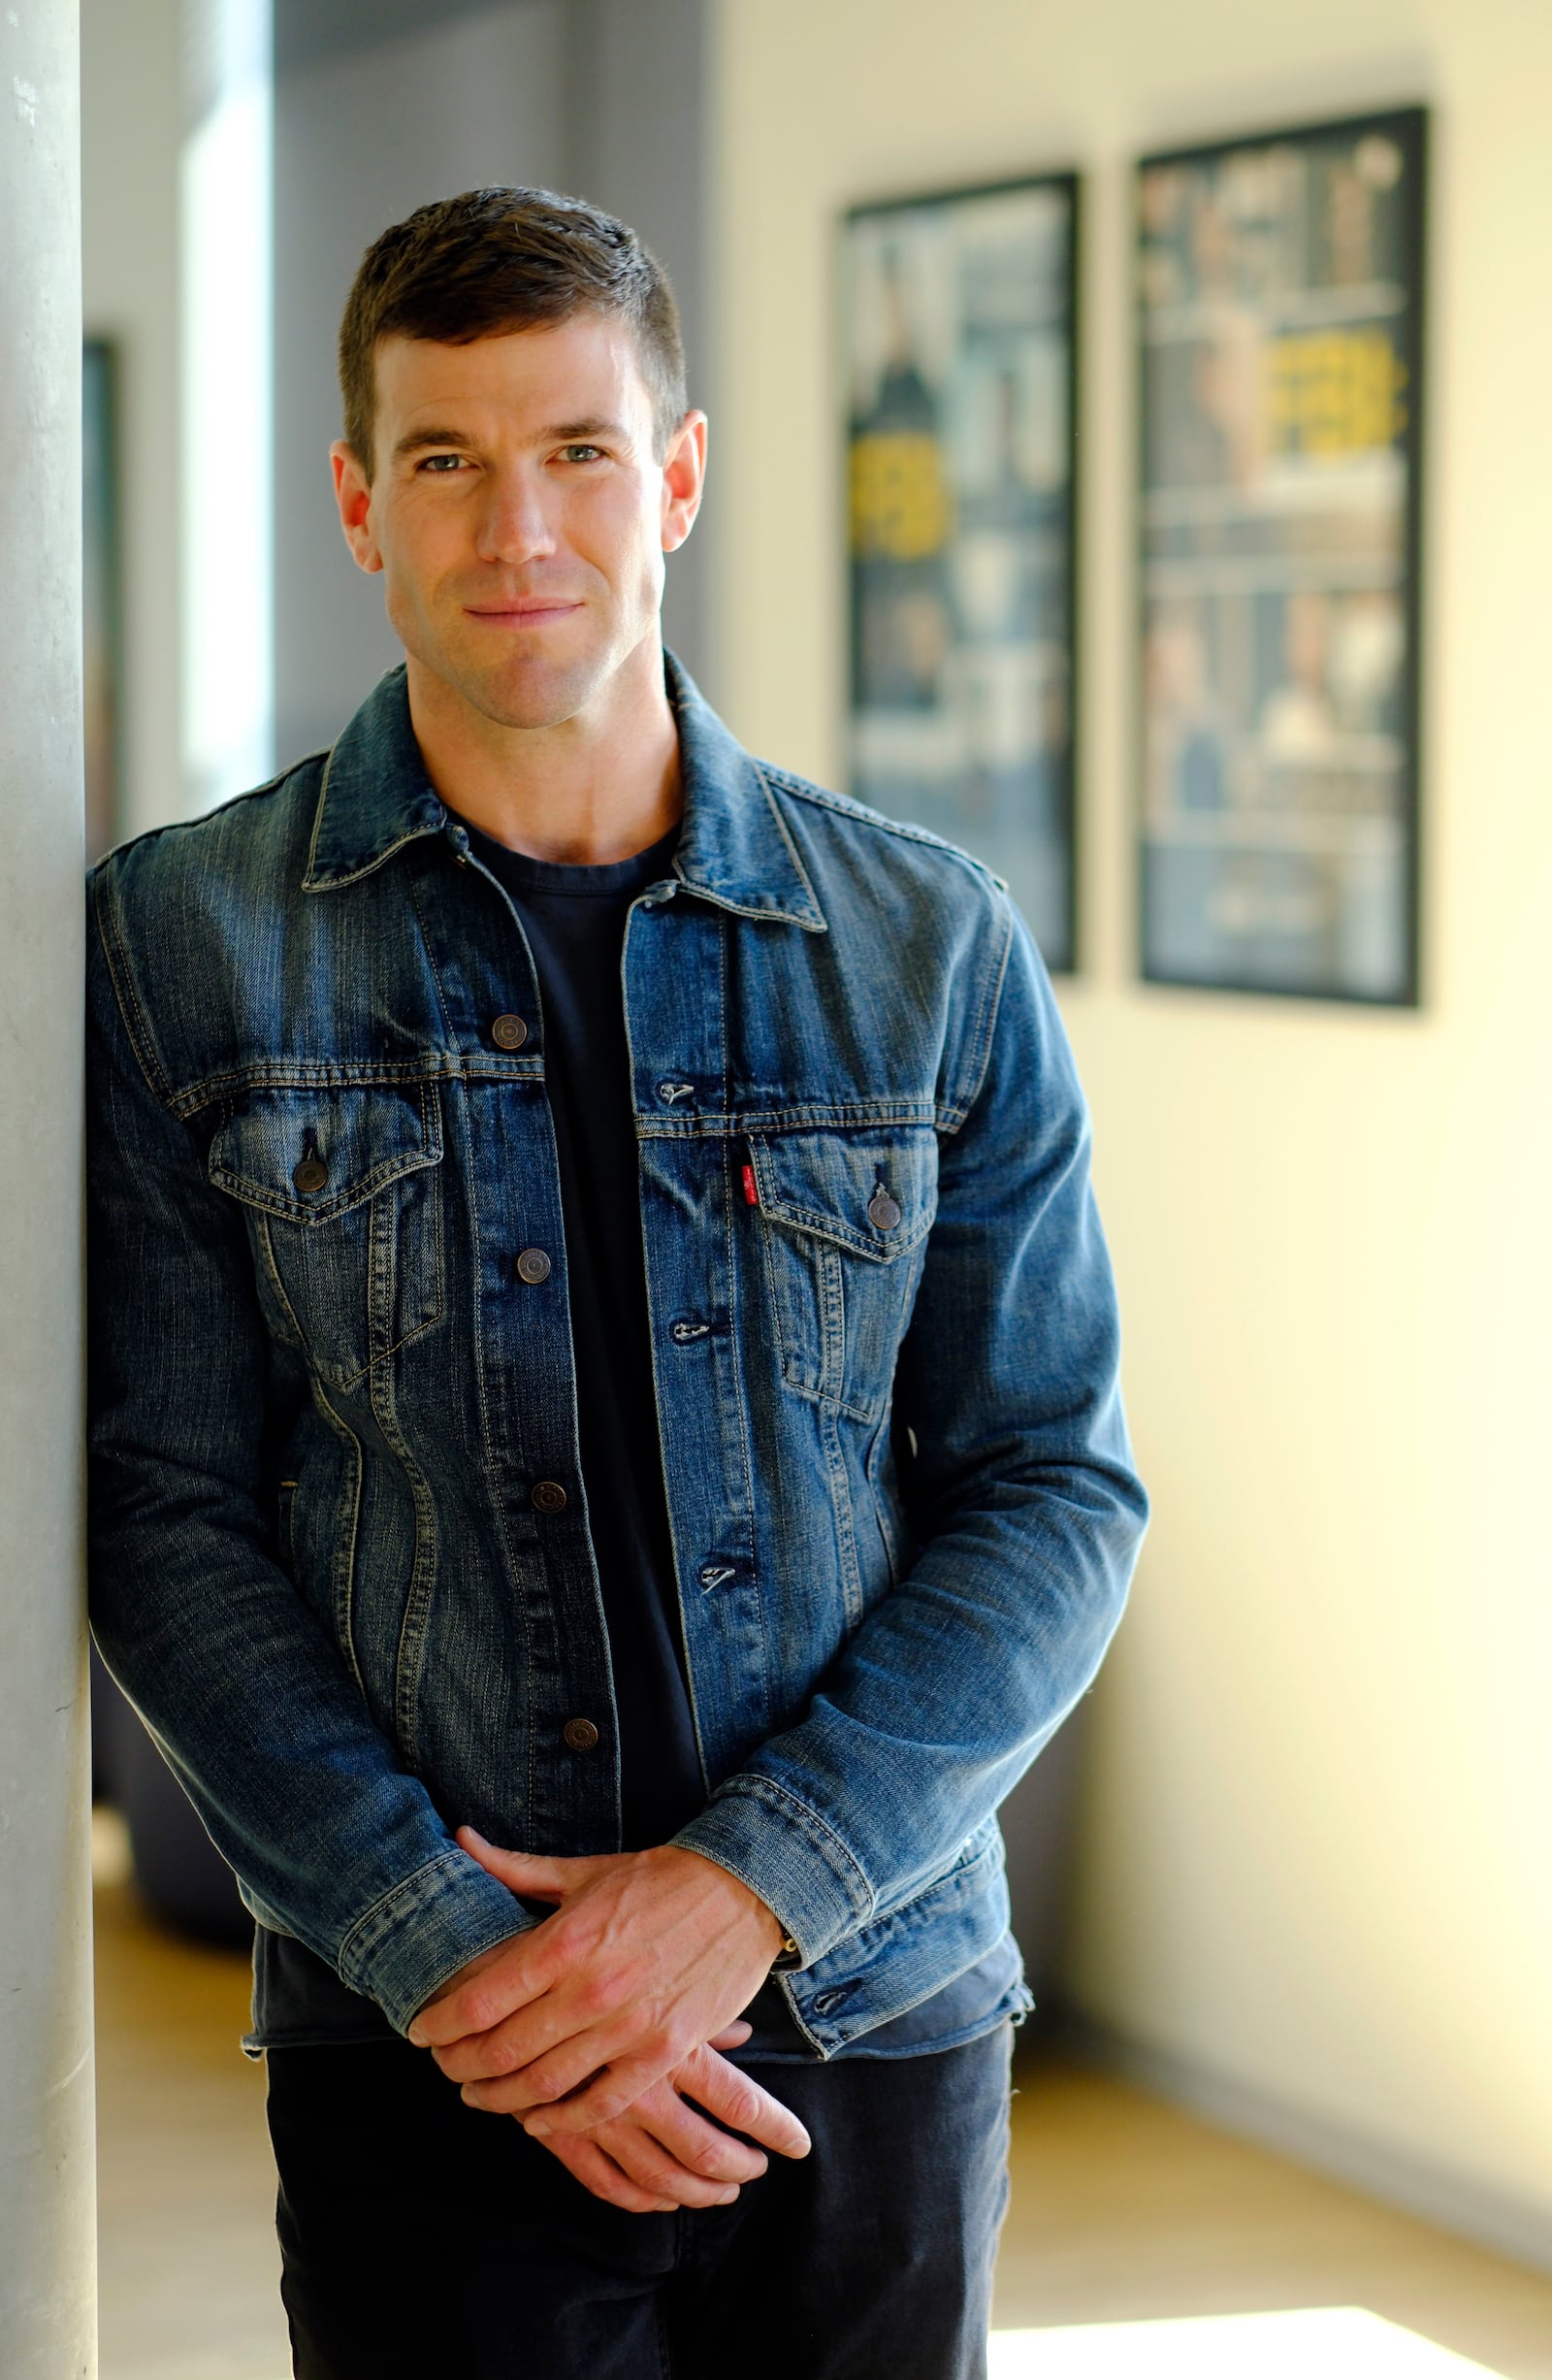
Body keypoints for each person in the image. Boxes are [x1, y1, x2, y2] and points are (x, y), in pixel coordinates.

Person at [86, 186, 1147, 2380]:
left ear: (673, 474)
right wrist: (463, 1964)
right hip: (431, 2046)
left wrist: (738, 1888)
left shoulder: (925, 947)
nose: (517, 531)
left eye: (576, 451)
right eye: (449, 461)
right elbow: (158, 1512)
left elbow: (1053, 1485)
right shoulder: (176, 947)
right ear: (356, 502)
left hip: (866, 2013)